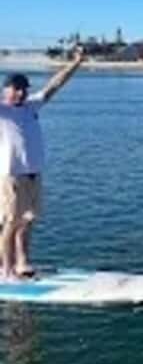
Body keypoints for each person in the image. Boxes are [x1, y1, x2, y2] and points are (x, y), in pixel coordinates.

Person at [0, 48, 85, 278]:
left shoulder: (32, 106)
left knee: (27, 221)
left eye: (23, 89)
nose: (20, 93)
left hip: (33, 175)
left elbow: (55, 85)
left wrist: (76, 63)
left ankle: (22, 263)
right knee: (10, 222)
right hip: (12, 176)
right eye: (15, 89)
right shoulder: (2, 110)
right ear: (6, 89)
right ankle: (6, 270)